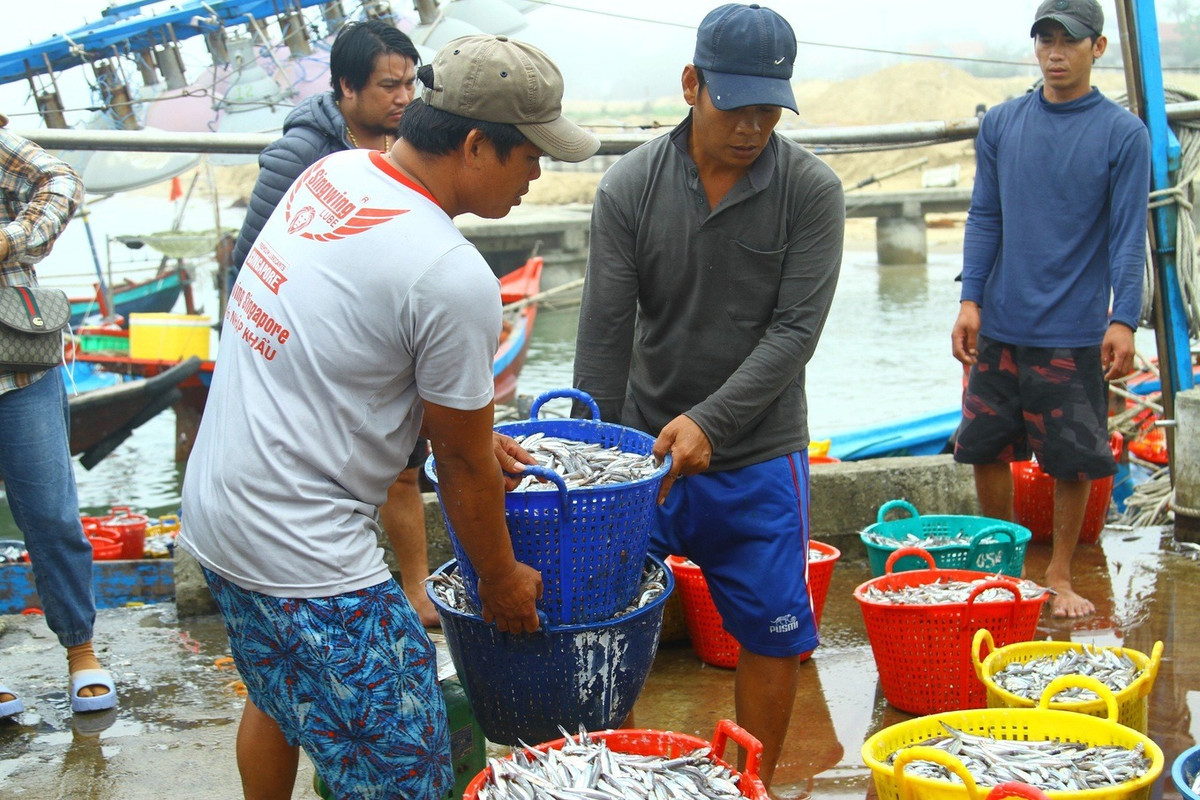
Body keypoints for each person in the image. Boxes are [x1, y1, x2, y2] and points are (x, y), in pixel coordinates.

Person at [180, 34, 598, 800]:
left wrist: (471, 435)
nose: (540, 174)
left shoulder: (332, 176)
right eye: (531, 154)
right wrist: (502, 581)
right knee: (407, 770)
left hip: (216, 519)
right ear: (475, 145)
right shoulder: (450, 272)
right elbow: (465, 469)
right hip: (304, 561)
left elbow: (339, 354)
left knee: (280, 701)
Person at [572, 4, 844, 793]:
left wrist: (711, 423)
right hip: (643, 457)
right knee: (601, 622)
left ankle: (745, 783)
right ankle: (601, 775)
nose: (752, 126)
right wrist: (600, 465)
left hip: (758, 452)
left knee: (773, 629)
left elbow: (795, 333)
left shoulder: (811, 192)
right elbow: (604, 338)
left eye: (769, 108)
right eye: (735, 104)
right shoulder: (629, 188)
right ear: (691, 85)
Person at [231, 18, 441, 626]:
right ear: (346, 89)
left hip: (382, 345)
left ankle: (417, 590)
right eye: (387, 86)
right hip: (315, 356)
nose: (403, 98)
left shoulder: (399, 149)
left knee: (404, 469)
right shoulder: (300, 155)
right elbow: (254, 263)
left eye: (409, 84)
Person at [951, 0, 1150, 619]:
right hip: (1001, 324)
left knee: (1074, 457)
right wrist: (970, 298)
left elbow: (1126, 234)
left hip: (1072, 330)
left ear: (1098, 48)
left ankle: (1059, 571)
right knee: (985, 447)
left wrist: (1123, 318)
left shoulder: (1123, 134)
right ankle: (1008, 566)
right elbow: (986, 214)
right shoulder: (1003, 124)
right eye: (1045, 39)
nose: (1055, 52)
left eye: (1069, 41)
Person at [0, 118, 116, 716]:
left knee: (51, 515)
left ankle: (81, 651)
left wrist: (11, 238)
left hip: (17, 362)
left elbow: (61, 179)